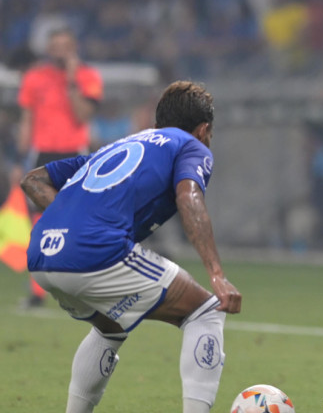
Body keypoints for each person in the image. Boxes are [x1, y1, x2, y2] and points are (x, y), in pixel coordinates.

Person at [20, 80, 241, 413]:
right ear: (204, 129)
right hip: (95, 251)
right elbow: (188, 196)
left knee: (111, 326)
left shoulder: (119, 145)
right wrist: (217, 273)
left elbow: (33, 179)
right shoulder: (191, 145)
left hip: (42, 255)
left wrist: (74, 222)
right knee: (205, 312)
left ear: (157, 124)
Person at [17, 28, 103, 307]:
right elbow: (27, 118)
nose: (59, 52)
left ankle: (83, 286)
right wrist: (19, 158)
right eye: (54, 46)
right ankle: (37, 291)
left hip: (75, 156)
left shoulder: (88, 77)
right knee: (38, 223)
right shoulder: (34, 78)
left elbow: (83, 116)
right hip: (42, 154)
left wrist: (71, 81)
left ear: (74, 48)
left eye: (65, 46)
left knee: (77, 221)